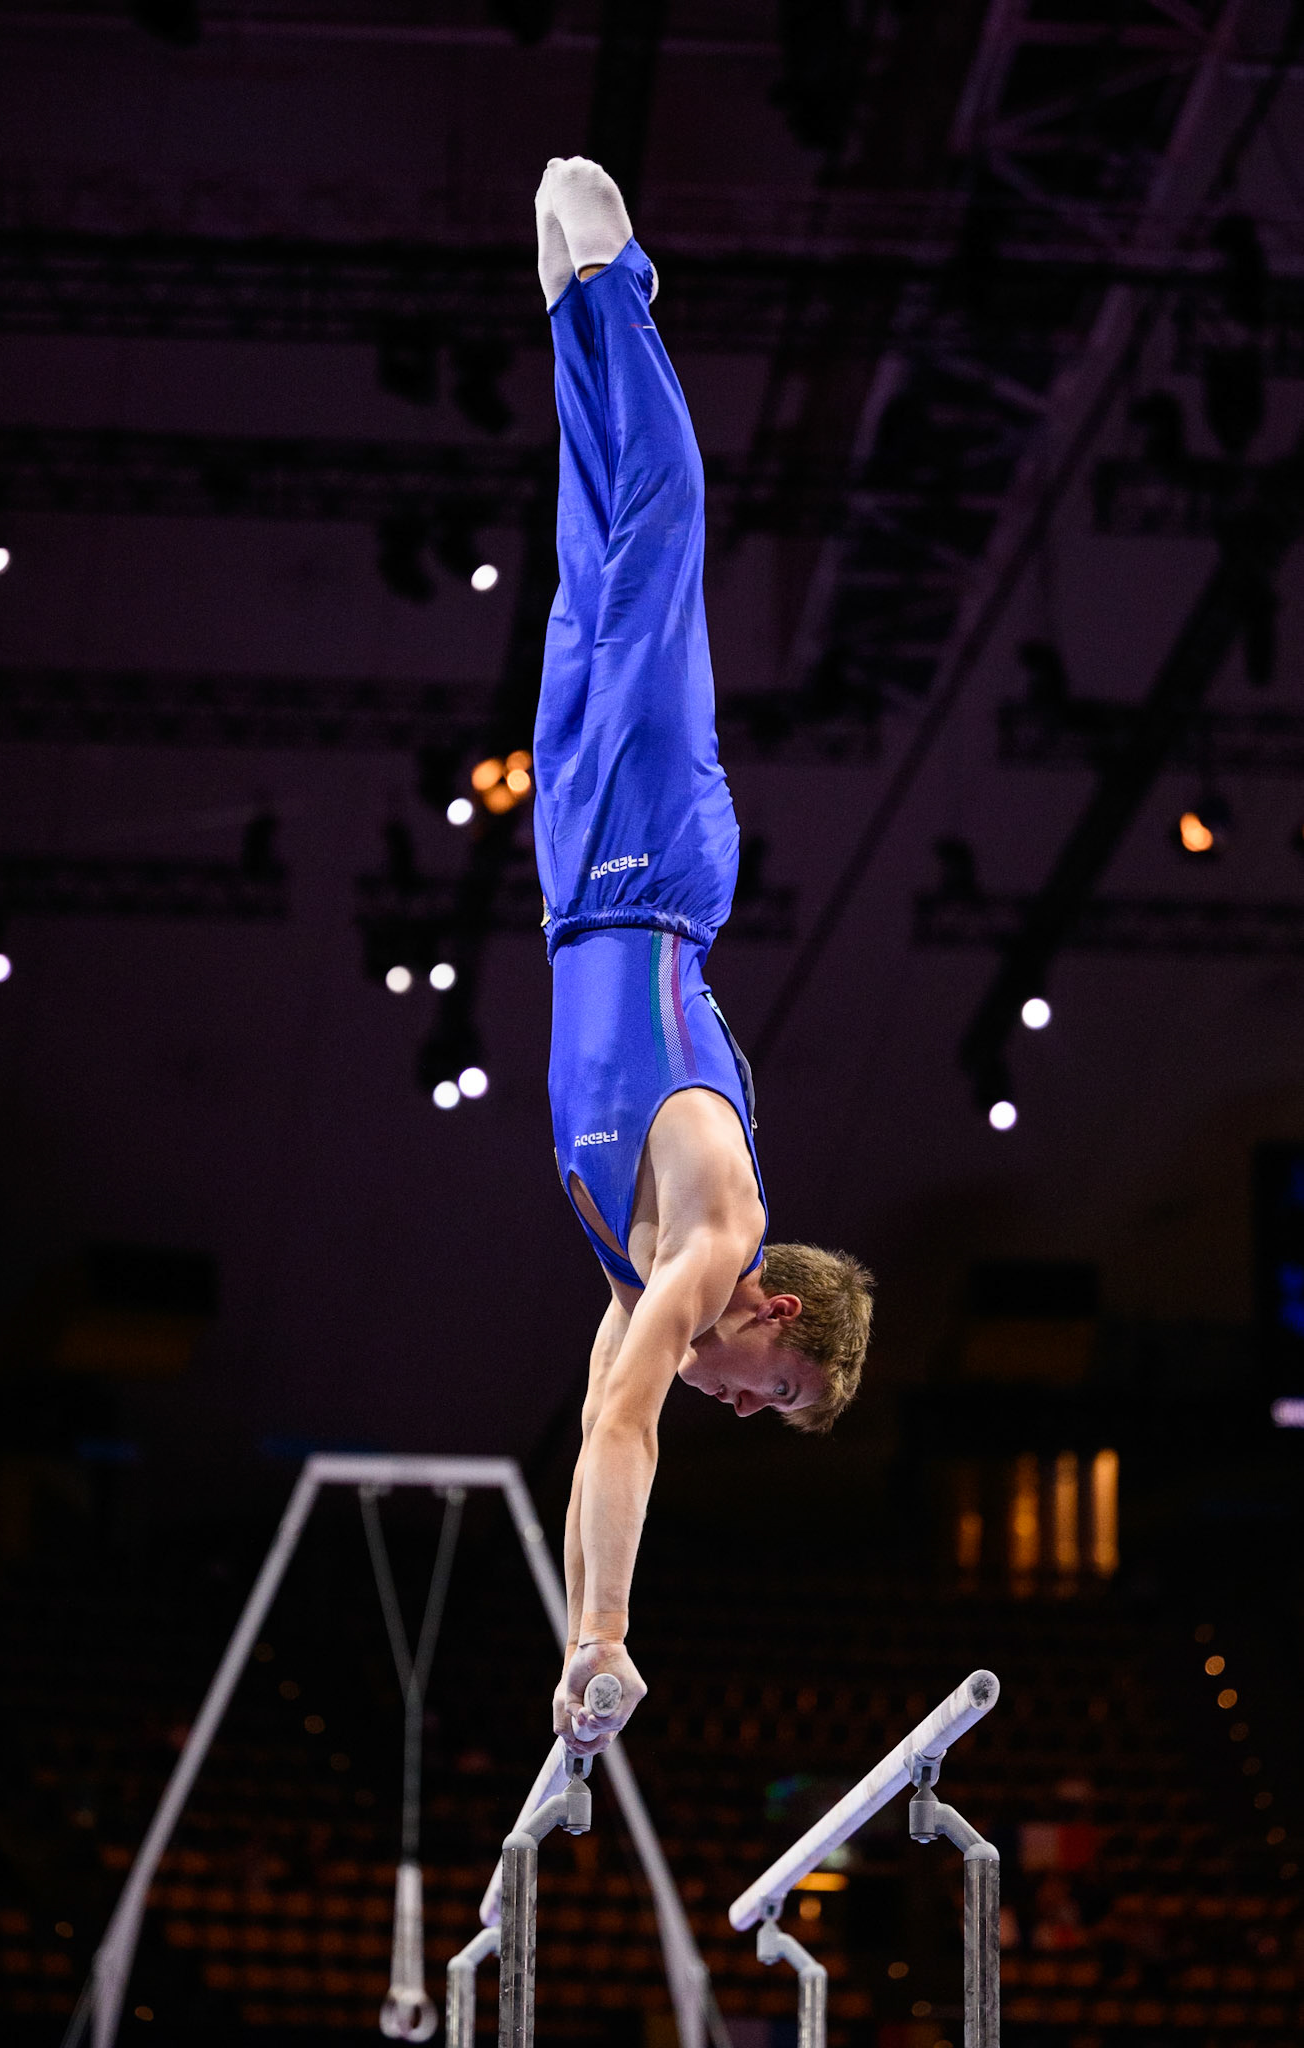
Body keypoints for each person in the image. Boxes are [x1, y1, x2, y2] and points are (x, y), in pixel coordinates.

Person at [532, 159, 874, 1758]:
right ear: (783, 1324)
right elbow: (631, 1419)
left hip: (562, 895)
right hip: (656, 869)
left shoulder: (637, 1278)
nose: (735, 1408)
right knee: (657, 560)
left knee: (585, 596)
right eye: (769, 1398)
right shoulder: (717, 1228)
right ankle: (620, 289)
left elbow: (601, 1429)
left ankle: (566, 325)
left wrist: (575, 1653)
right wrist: (604, 1635)